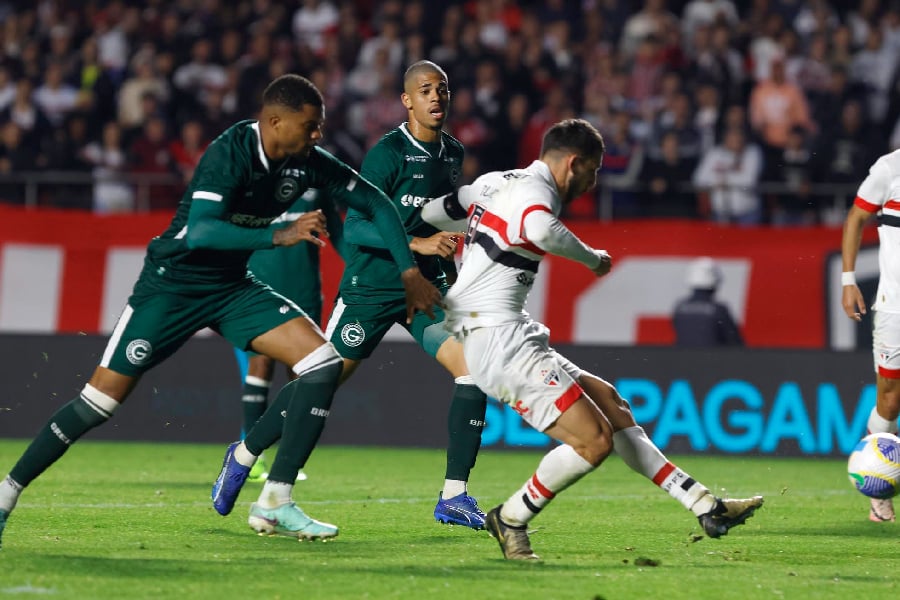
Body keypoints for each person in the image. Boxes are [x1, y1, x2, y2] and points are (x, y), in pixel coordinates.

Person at [0, 74, 441, 549]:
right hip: (172, 287)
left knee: (323, 363)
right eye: (310, 126)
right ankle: (6, 493)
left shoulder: (306, 162)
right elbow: (201, 233)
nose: (317, 136)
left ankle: (275, 498)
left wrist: (408, 272)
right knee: (100, 402)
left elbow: (372, 200)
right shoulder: (229, 152)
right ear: (275, 122)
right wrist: (279, 233)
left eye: (320, 127)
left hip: (231, 287)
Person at [420, 118, 763, 560]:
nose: (593, 181)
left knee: (613, 406)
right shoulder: (538, 191)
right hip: (497, 338)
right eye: (594, 170)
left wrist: (424, 239)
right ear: (573, 163)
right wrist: (593, 259)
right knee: (593, 442)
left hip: (508, 329)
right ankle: (510, 517)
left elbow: (436, 210)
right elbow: (541, 230)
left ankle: (706, 506)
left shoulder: (494, 182)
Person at [212, 60, 490, 530]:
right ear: (407, 101)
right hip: (373, 288)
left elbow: (436, 214)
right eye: (425, 90)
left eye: (442, 89)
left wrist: (461, 231)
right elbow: (359, 225)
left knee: (474, 370)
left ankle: (454, 495)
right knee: (324, 380)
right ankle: (243, 453)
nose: (436, 97)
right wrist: (418, 243)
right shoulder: (387, 154)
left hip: (423, 289)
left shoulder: (452, 154)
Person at [233, 186, 346, 483]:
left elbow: (337, 232)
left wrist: (359, 266)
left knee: (303, 374)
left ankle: (289, 458)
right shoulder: (259, 178)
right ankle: (251, 457)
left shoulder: (317, 184)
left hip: (304, 290)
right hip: (260, 285)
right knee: (260, 365)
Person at [840, 148, 900, 523]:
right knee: (890, 401)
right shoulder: (890, 167)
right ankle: (877, 487)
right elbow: (857, 217)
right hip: (896, 305)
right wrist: (848, 281)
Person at [672, 257, 743, 347]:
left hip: (683, 359)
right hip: (714, 359)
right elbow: (735, 342)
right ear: (716, 282)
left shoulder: (679, 307)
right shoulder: (719, 309)